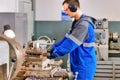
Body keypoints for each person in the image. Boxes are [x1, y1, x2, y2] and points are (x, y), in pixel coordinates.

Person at [48, 0, 97, 80]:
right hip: (79, 63)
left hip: (84, 65)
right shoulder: (77, 23)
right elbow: (66, 39)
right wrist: (53, 48)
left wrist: (53, 54)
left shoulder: (83, 25)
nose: (66, 13)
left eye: (66, 10)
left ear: (74, 7)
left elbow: (69, 45)